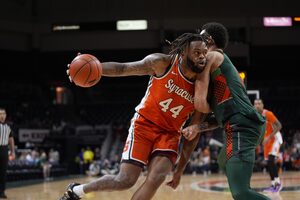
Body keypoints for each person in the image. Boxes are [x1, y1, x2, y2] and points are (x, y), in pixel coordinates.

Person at [59, 33, 213, 200]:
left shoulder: (203, 87)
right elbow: (124, 68)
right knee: (124, 181)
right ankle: (77, 191)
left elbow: (195, 132)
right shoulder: (162, 63)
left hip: (170, 134)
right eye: (197, 52)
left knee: (156, 178)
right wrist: (95, 67)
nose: (202, 57)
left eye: (204, 53)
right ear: (183, 53)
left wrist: (180, 169)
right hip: (144, 125)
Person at [168, 22, 270, 200]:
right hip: (241, 124)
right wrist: (197, 128)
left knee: (240, 193)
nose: (197, 46)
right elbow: (221, 117)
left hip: (242, 126)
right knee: (224, 162)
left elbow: (199, 104)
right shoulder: (221, 72)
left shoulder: (212, 56)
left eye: (200, 38)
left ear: (208, 40)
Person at [254, 99, 283, 192]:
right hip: (267, 140)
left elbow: (279, 126)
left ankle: (278, 183)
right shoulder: (256, 116)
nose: (257, 105)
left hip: (275, 139)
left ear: (262, 105)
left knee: (271, 161)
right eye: (255, 104)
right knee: (268, 163)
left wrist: (268, 138)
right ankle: (273, 184)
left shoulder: (268, 114)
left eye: (259, 103)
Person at [0, 108, 15, 199]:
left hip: (4, 149)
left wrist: (13, 151)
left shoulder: (8, 127)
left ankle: (2, 192)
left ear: (5, 115)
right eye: (0, 114)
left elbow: (11, 140)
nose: (2, 115)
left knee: (3, 172)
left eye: (3, 114)